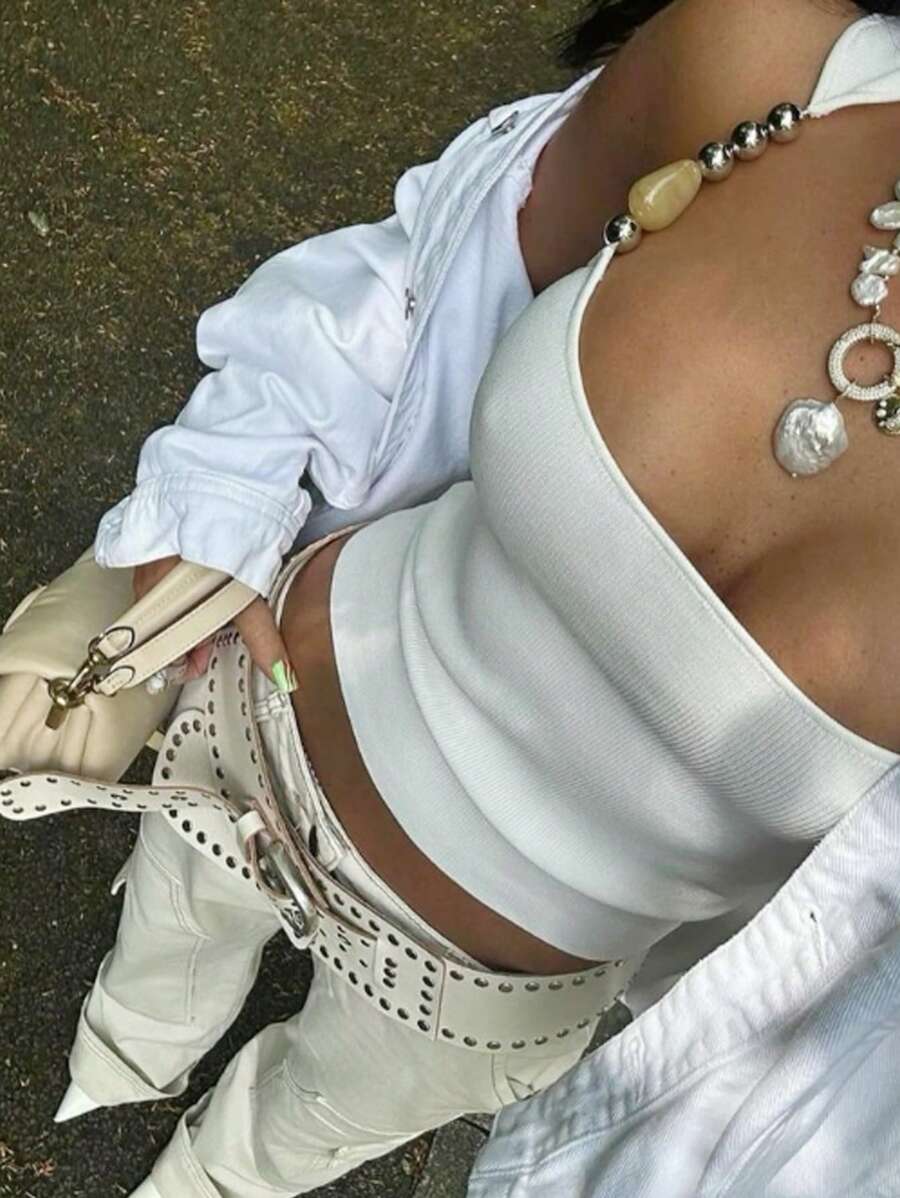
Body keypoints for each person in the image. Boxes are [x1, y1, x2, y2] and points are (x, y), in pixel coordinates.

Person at [22, 1, 900, 1195]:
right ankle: (117, 1064)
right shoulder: (775, 61)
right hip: (250, 723)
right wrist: (226, 491)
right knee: (159, 959)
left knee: (282, 1139)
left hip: (475, 1008)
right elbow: (435, 280)